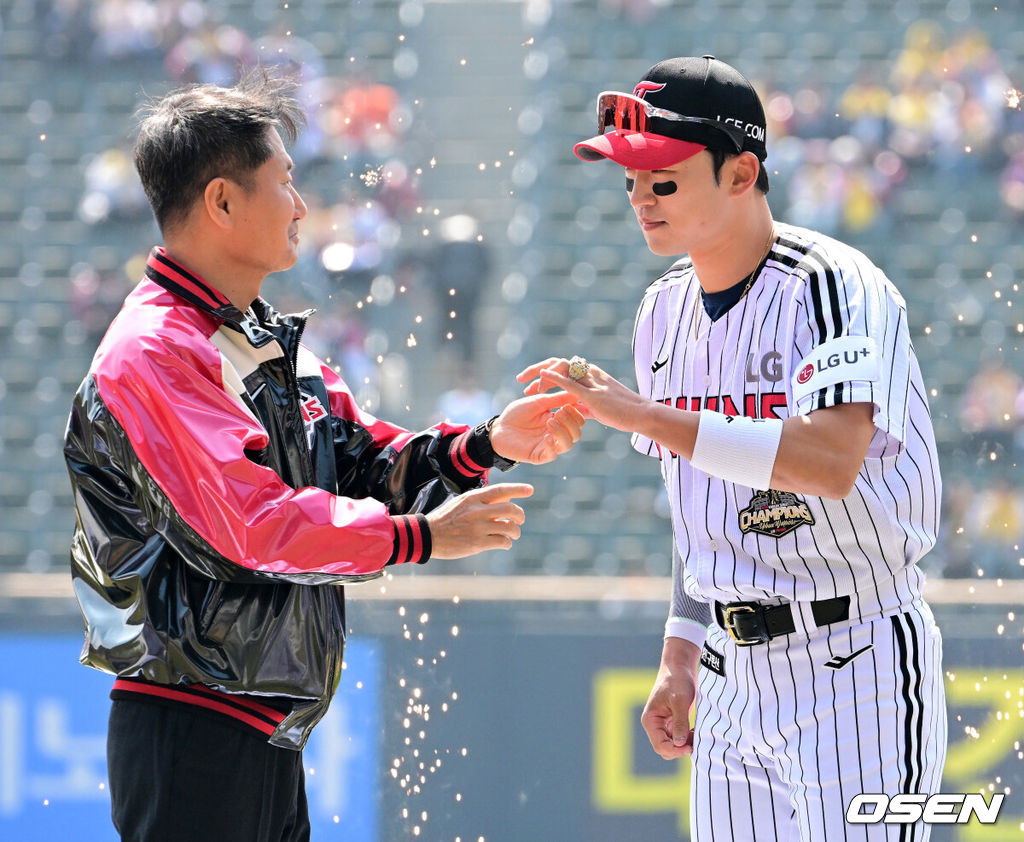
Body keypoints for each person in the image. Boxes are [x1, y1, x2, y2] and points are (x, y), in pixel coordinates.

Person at [63, 70, 584, 842]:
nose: (302, 207)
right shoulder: (155, 351)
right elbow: (254, 526)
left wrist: (489, 442)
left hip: (253, 725)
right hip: (191, 725)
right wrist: (429, 539)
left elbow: (369, 461)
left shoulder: (259, 335)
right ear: (222, 202)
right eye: (285, 183)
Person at [520, 56, 947, 840]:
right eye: (630, 181)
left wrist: (645, 415)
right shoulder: (662, 311)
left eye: (664, 179)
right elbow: (700, 511)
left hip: (856, 664)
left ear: (742, 172)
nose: (641, 199)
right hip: (726, 676)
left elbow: (828, 462)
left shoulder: (834, 286)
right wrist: (680, 651)